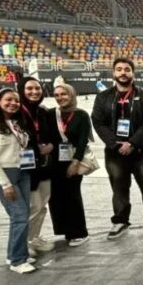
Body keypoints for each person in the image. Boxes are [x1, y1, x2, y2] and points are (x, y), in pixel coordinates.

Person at [92, 58, 143, 239]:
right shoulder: (103, 97)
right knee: (119, 188)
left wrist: (132, 143)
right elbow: (98, 123)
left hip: (142, 151)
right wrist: (116, 144)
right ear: (114, 73)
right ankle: (120, 221)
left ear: (133, 73)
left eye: (127, 69)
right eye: (119, 69)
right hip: (115, 152)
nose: (123, 72)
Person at [0, 88, 36, 273]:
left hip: (23, 171)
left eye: (16, 101)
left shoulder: (17, 123)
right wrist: (5, 183)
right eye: (8, 100)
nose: (13, 103)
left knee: (21, 216)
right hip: (5, 174)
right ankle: (18, 261)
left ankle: (14, 254)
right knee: (19, 215)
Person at [47, 83, 91, 247]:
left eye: (64, 94)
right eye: (57, 95)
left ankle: (79, 232)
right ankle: (65, 230)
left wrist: (75, 162)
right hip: (54, 162)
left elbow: (83, 141)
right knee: (56, 197)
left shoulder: (81, 115)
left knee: (72, 196)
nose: (60, 98)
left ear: (71, 95)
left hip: (73, 161)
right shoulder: (51, 114)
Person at [18, 77, 55, 254]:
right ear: (21, 90)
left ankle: (34, 237)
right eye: (29, 89)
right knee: (33, 206)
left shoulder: (42, 112)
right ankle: (23, 243)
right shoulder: (16, 112)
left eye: (37, 88)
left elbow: (51, 135)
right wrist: (35, 149)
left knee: (42, 205)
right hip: (26, 167)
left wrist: (51, 145)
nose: (34, 92)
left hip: (44, 166)